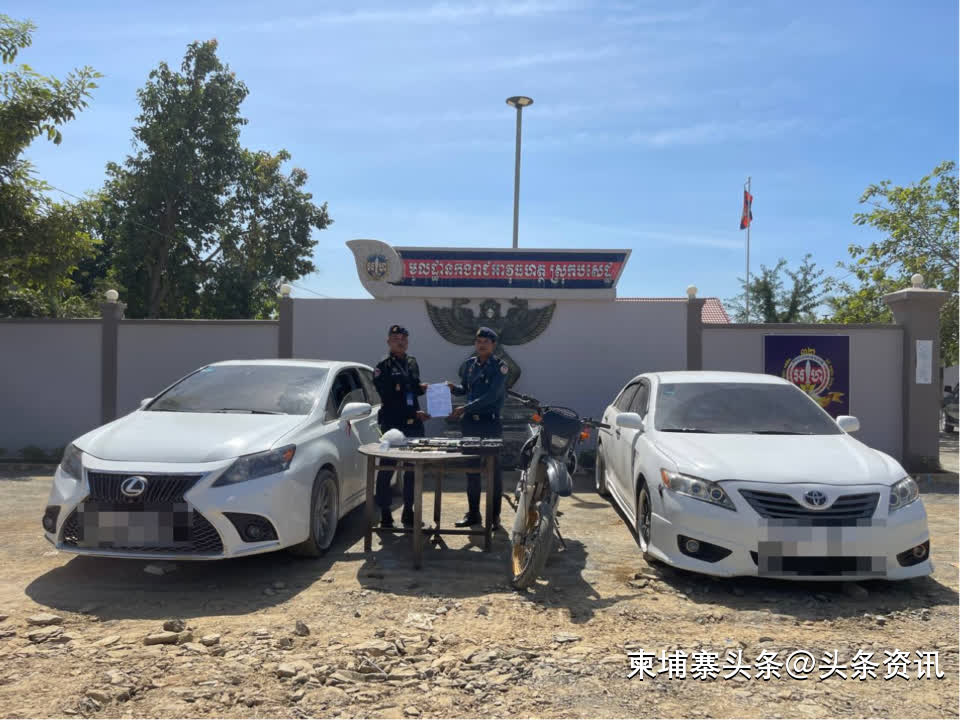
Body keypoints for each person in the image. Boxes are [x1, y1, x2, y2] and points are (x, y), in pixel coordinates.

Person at [447, 326, 507, 528]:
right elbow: (465, 388)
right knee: (471, 470)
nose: (481, 345)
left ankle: (494, 516)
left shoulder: (500, 367)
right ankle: (473, 514)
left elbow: (492, 395)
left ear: (493, 345)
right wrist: (453, 388)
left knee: (493, 471)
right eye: (479, 341)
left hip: (490, 423)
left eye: (486, 342)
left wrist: (465, 407)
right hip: (470, 424)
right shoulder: (470, 365)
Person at [372, 325, 429, 528]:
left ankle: (408, 511)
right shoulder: (382, 367)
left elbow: (413, 389)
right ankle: (385, 513)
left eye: (404, 338)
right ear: (388, 341)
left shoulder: (412, 362)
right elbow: (390, 398)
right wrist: (413, 412)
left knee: (412, 469)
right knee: (387, 468)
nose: (400, 342)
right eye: (396, 338)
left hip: (414, 424)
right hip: (392, 425)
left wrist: (422, 388)